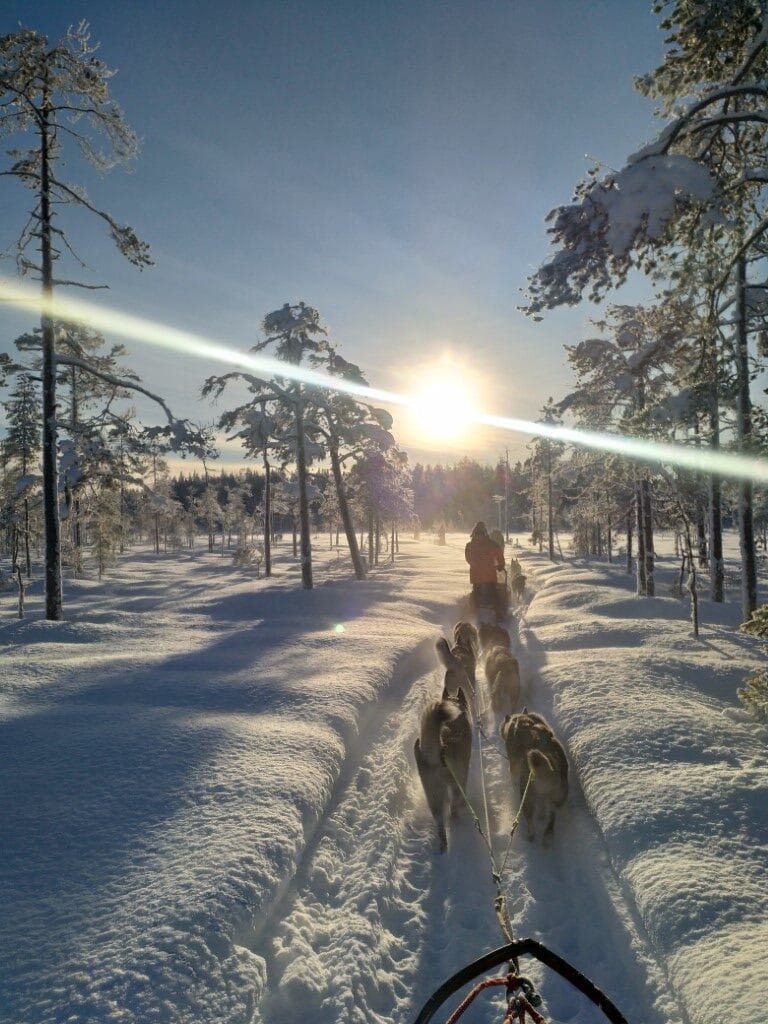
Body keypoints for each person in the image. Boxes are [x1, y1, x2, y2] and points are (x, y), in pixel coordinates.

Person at [465, 521, 505, 622]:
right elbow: (499, 555)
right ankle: (499, 614)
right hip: (490, 574)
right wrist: (500, 566)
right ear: (485, 531)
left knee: (476, 592)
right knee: (494, 593)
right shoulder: (492, 544)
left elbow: (468, 559)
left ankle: (472, 614)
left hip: (475, 576)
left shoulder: (470, 545)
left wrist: (475, 564)